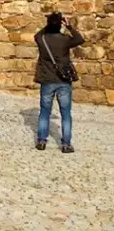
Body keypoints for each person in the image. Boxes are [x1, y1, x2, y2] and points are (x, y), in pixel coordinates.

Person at [34, 12, 84, 153]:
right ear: (60, 25)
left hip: (47, 80)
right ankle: (66, 144)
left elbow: (37, 35)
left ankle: (41, 141)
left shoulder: (42, 39)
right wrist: (68, 26)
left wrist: (50, 24)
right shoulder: (65, 40)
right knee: (66, 113)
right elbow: (80, 39)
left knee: (44, 111)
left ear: (48, 24)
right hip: (63, 81)